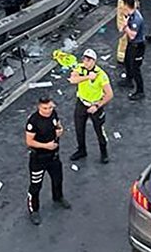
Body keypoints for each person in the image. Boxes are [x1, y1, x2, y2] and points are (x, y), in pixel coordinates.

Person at [24, 94, 71, 225]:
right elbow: (29, 141)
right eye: (45, 108)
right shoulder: (33, 122)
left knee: (58, 179)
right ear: (39, 107)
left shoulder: (53, 114)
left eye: (50, 107)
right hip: (38, 158)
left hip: (54, 157)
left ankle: (58, 197)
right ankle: (34, 210)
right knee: (35, 186)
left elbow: (58, 125)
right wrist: (46, 146)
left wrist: (60, 130)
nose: (48, 110)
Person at [68, 49, 112, 161]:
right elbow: (72, 80)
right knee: (79, 128)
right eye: (84, 59)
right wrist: (87, 77)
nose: (85, 62)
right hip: (82, 103)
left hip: (95, 105)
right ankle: (81, 150)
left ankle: (104, 152)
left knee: (99, 130)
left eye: (88, 60)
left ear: (94, 61)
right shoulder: (80, 67)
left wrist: (97, 105)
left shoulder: (101, 75)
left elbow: (109, 94)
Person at [120, 0, 146, 101]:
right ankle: (128, 80)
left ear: (127, 6)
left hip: (138, 46)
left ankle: (140, 91)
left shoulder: (136, 19)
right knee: (127, 61)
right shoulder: (129, 15)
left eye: (122, 5)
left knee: (136, 69)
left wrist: (126, 26)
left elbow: (132, 35)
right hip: (131, 44)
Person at [115, 0, 139, 74]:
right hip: (125, 22)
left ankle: (123, 56)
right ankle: (121, 57)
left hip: (125, 21)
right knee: (124, 40)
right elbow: (127, 11)